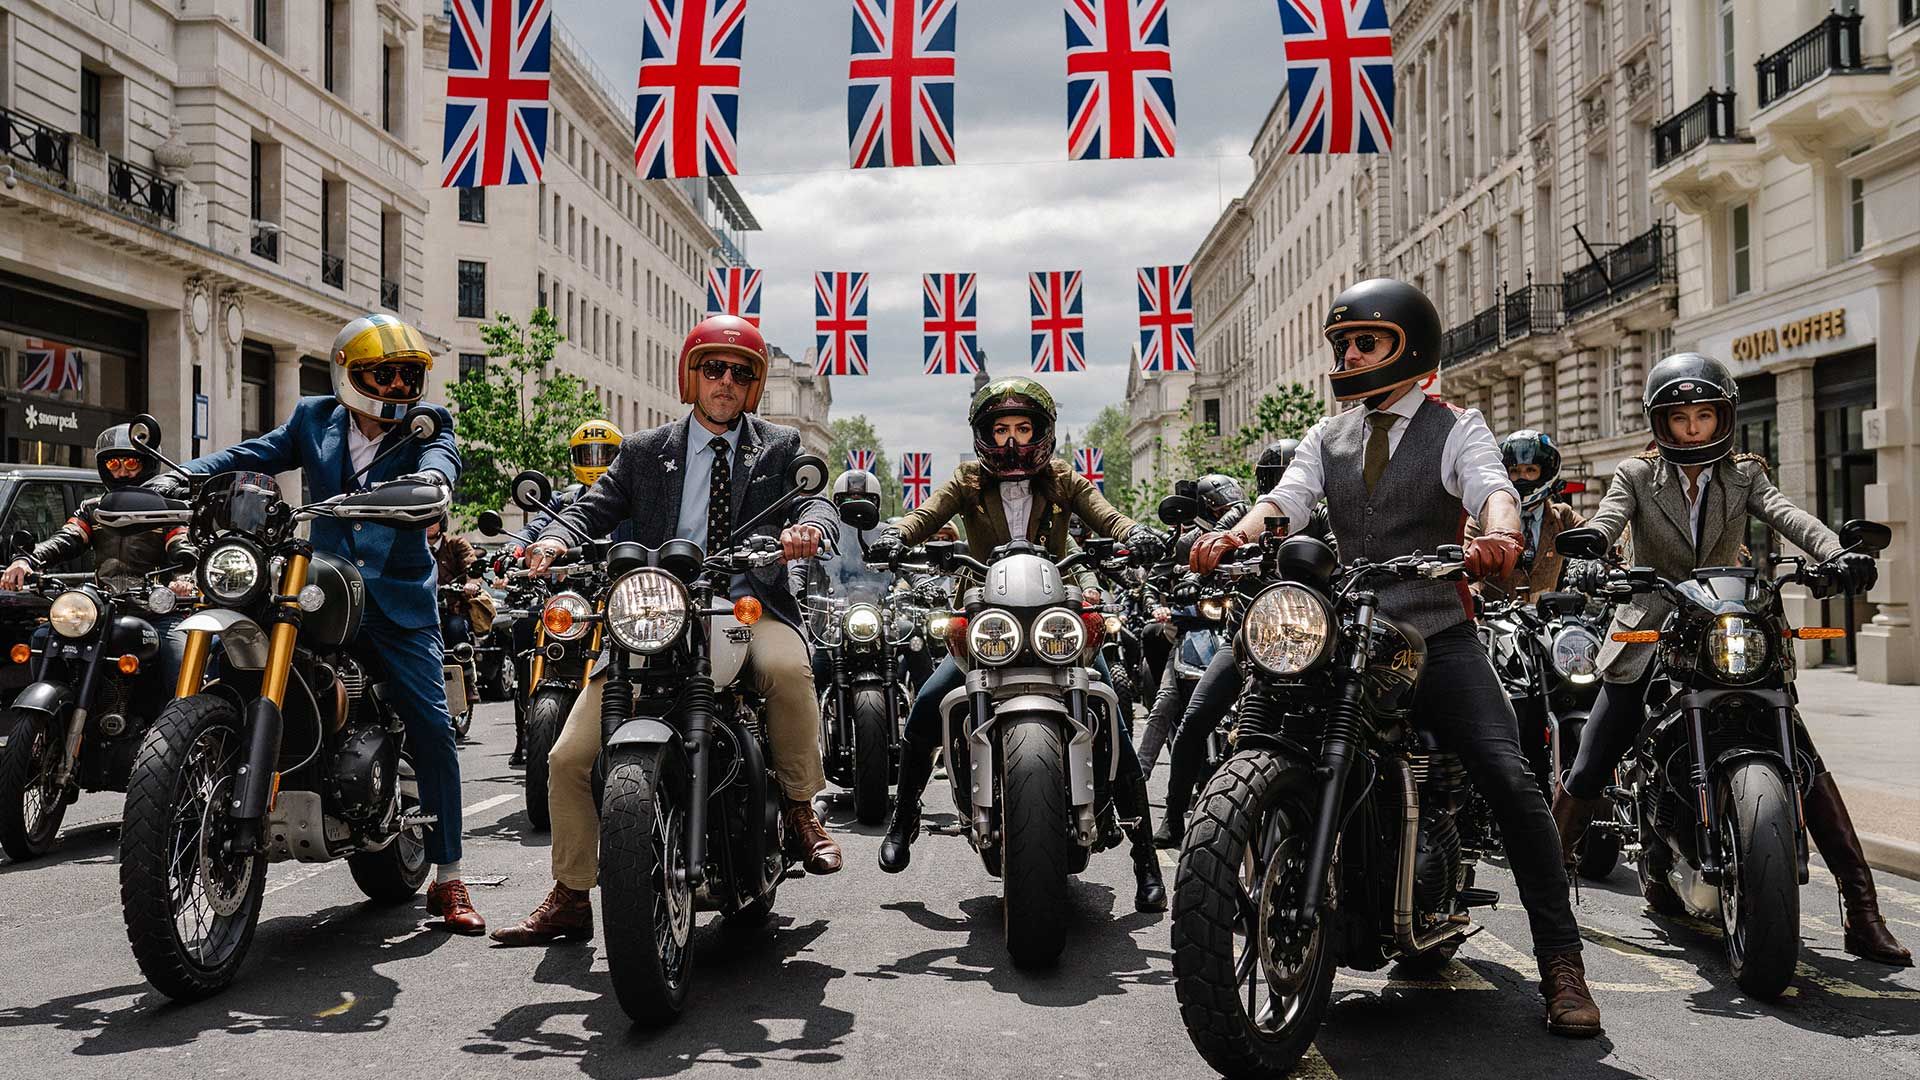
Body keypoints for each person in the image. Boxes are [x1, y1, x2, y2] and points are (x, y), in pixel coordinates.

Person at [1188, 278, 1602, 1037]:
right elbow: (1287, 499)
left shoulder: (1456, 426)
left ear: (1409, 346)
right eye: (1342, 344)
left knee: (1508, 776)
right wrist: (1236, 535)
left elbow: (1492, 490)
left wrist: (1500, 535)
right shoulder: (1328, 435)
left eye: (1365, 342)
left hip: (1434, 630)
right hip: (1348, 630)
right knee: (1258, 726)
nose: (1349, 354)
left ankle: (1562, 963)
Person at [494, 315, 842, 946]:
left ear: (753, 386)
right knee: (569, 757)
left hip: (746, 606)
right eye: (714, 368)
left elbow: (815, 502)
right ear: (691, 375)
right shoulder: (644, 452)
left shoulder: (780, 450)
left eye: (741, 373)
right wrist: (551, 537)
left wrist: (811, 529)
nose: (726, 382)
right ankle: (572, 894)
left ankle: (798, 806)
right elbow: (589, 508)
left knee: (790, 669)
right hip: (655, 609)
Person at [1552, 352, 1907, 967]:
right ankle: (1550, 888)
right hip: (1650, 620)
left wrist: (1835, 553)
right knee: (1595, 754)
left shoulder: (1745, 476)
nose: (1693, 429)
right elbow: (1609, 522)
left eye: (1705, 416)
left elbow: (1788, 515)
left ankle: (1861, 908)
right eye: (1681, 418)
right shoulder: (1635, 475)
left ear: (1724, 419)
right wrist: (1590, 550)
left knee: (1801, 749)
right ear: (1661, 423)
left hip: (1727, 615)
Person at [147, 312, 483, 934]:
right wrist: (186, 474)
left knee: (432, 727)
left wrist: (433, 482)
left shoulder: (427, 427)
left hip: (396, 601)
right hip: (320, 584)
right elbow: (257, 452)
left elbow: (443, 463)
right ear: (351, 375)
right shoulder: (313, 417)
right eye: (381, 376)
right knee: (238, 653)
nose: (395, 387)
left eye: (407, 375)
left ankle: (449, 877)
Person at [863, 377, 1171, 911]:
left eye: (1022, 428)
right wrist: (898, 536)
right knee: (926, 708)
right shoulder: (967, 480)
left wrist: (1134, 534)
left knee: (1112, 715)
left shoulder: (1062, 479)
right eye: (1000, 429)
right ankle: (905, 817)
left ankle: (1145, 860)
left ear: (1042, 432)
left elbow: (1107, 514)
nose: (1011, 441)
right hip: (988, 620)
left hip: (1055, 620)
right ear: (984, 435)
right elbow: (925, 515)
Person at [2, 424, 196, 692]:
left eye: (130, 462)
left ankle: (182, 727)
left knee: (180, 661)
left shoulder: (167, 511)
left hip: (156, 611)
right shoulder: (94, 509)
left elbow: (182, 545)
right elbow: (66, 539)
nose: (122, 471)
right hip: (102, 609)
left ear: (147, 465)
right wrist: (26, 560)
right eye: (114, 463)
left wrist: (183, 578)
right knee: (42, 638)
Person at [499, 419, 625, 766]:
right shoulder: (566, 499)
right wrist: (514, 549)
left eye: (604, 453)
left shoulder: (629, 497)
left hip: (615, 594)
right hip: (569, 594)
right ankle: (525, 733)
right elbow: (538, 526)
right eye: (587, 453)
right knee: (525, 631)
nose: (595, 460)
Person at [1137, 473, 1245, 848]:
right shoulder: (1193, 543)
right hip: (1209, 632)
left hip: (1273, 639)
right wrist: (1170, 598)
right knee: (1178, 710)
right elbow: (1157, 579)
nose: (1225, 509)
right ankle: (1160, 804)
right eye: (1216, 505)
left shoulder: (1291, 526)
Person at [1467, 429, 1584, 598]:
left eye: (1530, 470)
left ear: (1544, 473)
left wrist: (1591, 563)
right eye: (1514, 471)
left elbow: (1596, 536)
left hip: (1547, 619)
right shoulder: (1482, 518)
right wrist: (1472, 595)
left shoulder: (1562, 516)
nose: (1522, 477)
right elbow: (1467, 568)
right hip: (1494, 620)